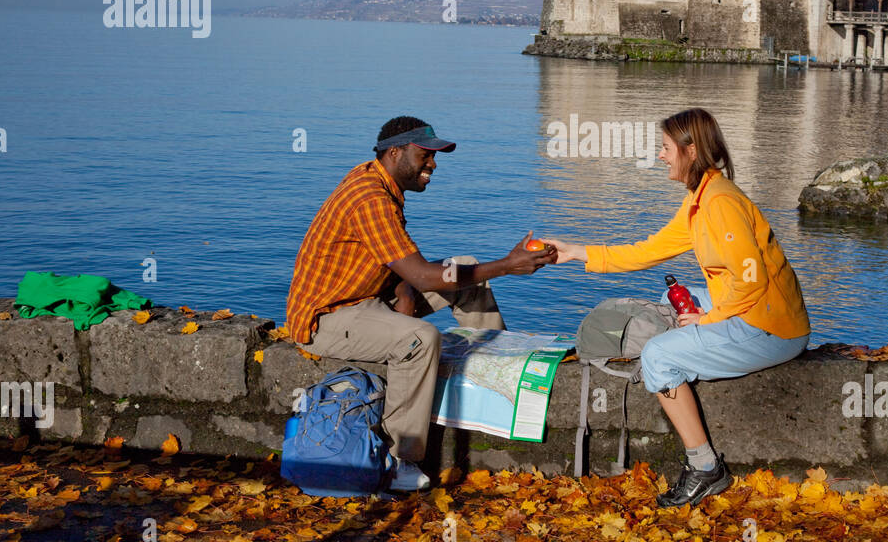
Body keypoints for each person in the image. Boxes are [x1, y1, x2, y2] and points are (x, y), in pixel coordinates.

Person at [543, 108, 809, 507]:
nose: (662, 156)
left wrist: (708, 319)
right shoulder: (700, 199)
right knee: (672, 299)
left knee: (657, 356)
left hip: (771, 327)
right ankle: (690, 341)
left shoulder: (719, 203)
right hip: (760, 309)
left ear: (691, 150)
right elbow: (650, 250)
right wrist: (577, 252)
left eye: (666, 148)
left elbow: (751, 279)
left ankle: (705, 467)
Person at [286, 115, 555, 493]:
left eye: (434, 156)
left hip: (367, 299)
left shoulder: (378, 181)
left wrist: (406, 294)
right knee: (420, 339)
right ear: (395, 153)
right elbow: (425, 275)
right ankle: (400, 459)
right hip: (329, 318)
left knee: (463, 271)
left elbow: (400, 266)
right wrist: (507, 266)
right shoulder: (368, 197)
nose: (432, 164)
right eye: (425, 154)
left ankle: (499, 376)